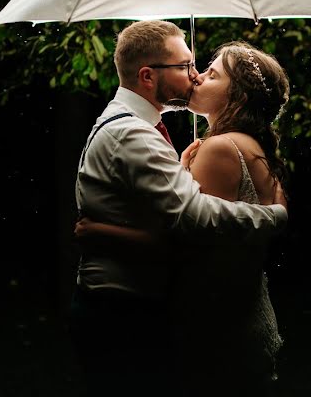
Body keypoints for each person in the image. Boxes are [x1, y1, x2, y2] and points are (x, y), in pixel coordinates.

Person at [68, 21, 288, 397]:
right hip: (121, 309)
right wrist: (272, 216)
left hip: (159, 312)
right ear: (148, 76)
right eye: (186, 66)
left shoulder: (180, 137)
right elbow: (189, 217)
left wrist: (102, 235)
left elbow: (187, 234)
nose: (195, 75)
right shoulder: (133, 132)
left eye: (204, 69)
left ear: (236, 95)